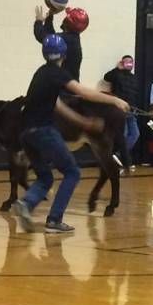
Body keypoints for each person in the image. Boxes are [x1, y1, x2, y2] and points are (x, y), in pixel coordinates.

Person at [14, 34, 129, 234]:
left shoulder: (41, 72)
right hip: (43, 131)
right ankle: (54, 220)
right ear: (64, 55)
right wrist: (115, 100)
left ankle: (26, 203)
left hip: (26, 134)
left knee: (45, 178)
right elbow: (84, 92)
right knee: (72, 172)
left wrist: (83, 122)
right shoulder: (58, 74)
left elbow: (57, 105)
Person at [34, 5, 89, 81]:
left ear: (67, 22)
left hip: (65, 86)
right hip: (66, 83)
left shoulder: (68, 39)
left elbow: (43, 37)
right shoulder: (72, 38)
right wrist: (50, 16)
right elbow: (51, 36)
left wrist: (38, 21)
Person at [104, 55, 139, 167]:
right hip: (120, 111)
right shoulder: (116, 74)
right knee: (123, 135)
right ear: (122, 63)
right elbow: (106, 77)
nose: (129, 64)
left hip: (131, 111)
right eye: (126, 62)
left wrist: (135, 108)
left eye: (130, 62)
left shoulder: (134, 78)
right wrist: (117, 69)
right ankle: (122, 160)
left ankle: (118, 155)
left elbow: (135, 94)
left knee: (135, 134)